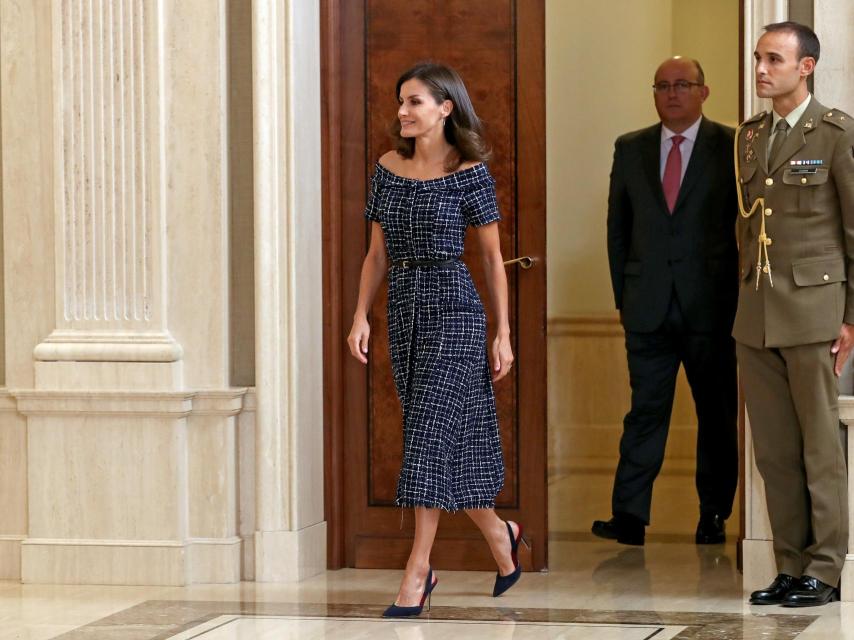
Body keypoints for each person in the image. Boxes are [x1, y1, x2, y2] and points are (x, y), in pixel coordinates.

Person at [347, 62, 524, 618]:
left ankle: (418, 570)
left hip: (454, 308)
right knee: (447, 440)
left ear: (445, 108)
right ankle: (500, 535)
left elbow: (492, 259)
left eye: (415, 101)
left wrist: (503, 332)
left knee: (426, 436)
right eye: (400, 101)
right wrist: (360, 316)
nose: (402, 110)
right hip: (404, 310)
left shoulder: (470, 173)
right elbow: (376, 254)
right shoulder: (386, 168)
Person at [593, 57, 739, 547]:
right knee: (645, 411)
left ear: (703, 91)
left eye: (682, 85)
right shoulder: (630, 147)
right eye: (662, 86)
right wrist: (625, 298)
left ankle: (713, 513)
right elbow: (618, 229)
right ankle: (629, 516)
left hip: (712, 307)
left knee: (715, 414)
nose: (672, 93)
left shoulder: (732, 145)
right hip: (647, 307)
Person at [735, 21, 853, 608]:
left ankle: (825, 570)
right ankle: (789, 565)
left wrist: (850, 317)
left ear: (806, 67)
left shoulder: (836, 134)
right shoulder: (748, 136)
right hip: (756, 312)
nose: (761, 69)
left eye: (774, 60)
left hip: (813, 310)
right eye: (759, 58)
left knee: (820, 448)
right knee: (775, 451)